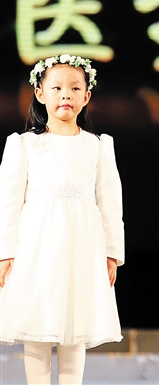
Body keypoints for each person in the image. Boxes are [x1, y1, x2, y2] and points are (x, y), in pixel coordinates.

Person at [0, 54, 124, 385]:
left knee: (75, 325)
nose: (66, 94)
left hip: (82, 245)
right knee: (37, 323)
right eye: (56, 88)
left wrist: (112, 252)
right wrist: (5, 252)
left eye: (74, 88)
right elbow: (8, 202)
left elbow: (110, 203)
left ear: (87, 96)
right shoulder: (24, 144)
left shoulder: (97, 146)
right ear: (40, 93)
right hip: (36, 245)